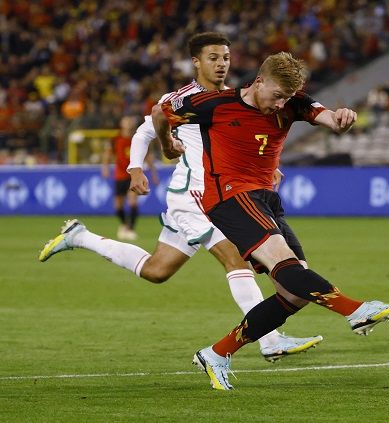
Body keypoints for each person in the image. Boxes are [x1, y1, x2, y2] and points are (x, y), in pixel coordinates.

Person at [39, 32, 322, 363]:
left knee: (156, 270)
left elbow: (249, 145)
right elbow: (147, 129)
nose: (221, 64)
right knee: (237, 257)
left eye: (226, 58)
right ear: (196, 62)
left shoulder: (240, 99)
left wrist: (267, 170)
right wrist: (136, 168)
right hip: (195, 197)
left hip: (216, 195)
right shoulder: (182, 98)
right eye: (213, 58)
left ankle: (81, 237)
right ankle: (270, 340)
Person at [152, 51, 389, 390]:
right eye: (277, 96)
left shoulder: (293, 103)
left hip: (266, 198)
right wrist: (166, 145)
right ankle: (355, 310)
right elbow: (161, 113)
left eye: (287, 98)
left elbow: (328, 118)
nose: (280, 105)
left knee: (295, 293)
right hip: (228, 197)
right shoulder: (213, 104)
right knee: (286, 264)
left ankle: (217, 353)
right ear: (258, 82)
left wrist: (342, 118)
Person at [101, 115, 157, 240]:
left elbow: (149, 157)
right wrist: (105, 168)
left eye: (130, 120)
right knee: (118, 207)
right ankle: (125, 225)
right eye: (126, 120)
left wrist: (153, 174)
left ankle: (131, 228)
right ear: (121, 123)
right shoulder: (115, 139)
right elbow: (107, 154)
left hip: (134, 176)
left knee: (132, 201)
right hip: (119, 175)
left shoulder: (139, 138)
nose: (128, 122)